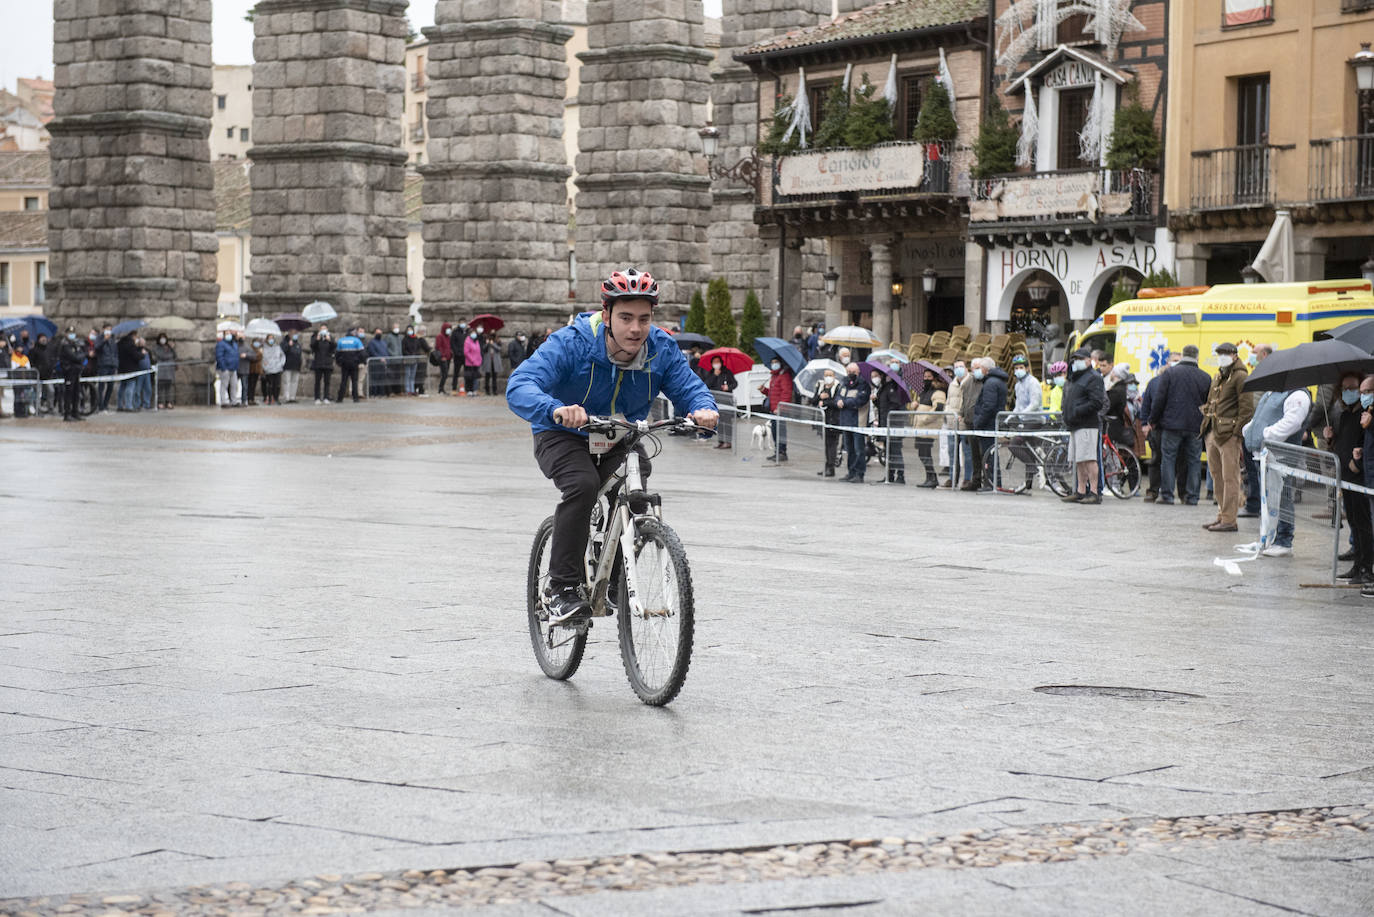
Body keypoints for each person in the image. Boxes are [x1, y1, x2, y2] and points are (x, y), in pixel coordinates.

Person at [506, 267, 718, 623]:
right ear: (606, 315)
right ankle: (560, 588)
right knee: (582, 485)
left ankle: (618, 578)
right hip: (562, 432)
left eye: (643, 319)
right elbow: (520, 385)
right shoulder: (572, 343)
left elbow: (689, 387)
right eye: (625, 317)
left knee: (637, 479)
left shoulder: (661, 349)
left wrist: (704, 410)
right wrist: (555, 408)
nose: (635, 328)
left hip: (619, 433)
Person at [1242, 372, 1310, 558]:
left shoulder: (1297, 395)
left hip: (1281, 456)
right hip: (1264, 455)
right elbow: (1260, 417)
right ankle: (1267, 538)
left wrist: (1265, 434)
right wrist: (1250, 430)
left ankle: (1284, 540)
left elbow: (1292, 423)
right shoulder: (1272, 392)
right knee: (1268, 499)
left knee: (1283, 498)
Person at [1200, 342, 1253, 533]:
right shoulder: (1219, 375)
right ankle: (1222, 515)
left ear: (1234, 355)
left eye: (1225, 353)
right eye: (1219, 353)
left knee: (1230, 477)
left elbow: (1247, 409)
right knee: (1216, 476)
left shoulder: (1240, 376)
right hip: (1213, 432)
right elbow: (1210, 401)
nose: (1221, 356)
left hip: (1228, 435)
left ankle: (1230, 519)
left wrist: (1236, 433)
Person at [1148, 345, 1211, 506]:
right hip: (1195, 426)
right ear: (1197, 357)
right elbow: (1208, 404)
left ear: (1183, 356)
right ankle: (1192, 497)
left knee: (1168, 459)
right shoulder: (1205, 377)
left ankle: (1167, 495)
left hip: (1171, 425)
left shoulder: (1170, 373)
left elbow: (1159, 400)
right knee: (1194, 461)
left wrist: (1153, 420)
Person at [1326, 372, 1371, 581]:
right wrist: (1330, 439)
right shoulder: (1345, 415)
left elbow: (1365, 445)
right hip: (1345, 477)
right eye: (1345, 388)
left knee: (1363, 524)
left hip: (1359, 478)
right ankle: (1357, 563)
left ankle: (1366, 568)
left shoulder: (1366, 415)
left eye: (1354, 389)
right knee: (1353, 521)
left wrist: (1356, 464)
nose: (1349, 393)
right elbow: (1342, 444)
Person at [1060, 348, 1106, 504]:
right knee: (1079, 459)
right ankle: (1080, 491)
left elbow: (1096, 402)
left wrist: (1076, 411)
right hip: (1075, 424)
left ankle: (1094, 492)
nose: (1076, 362)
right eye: (1074, 359)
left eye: (1079, 358)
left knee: (1089, 459)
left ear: (1088, 360)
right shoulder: (1075, 378)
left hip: (1087, 424)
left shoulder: (1093, 377)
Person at [1240, 343, 1275, 518]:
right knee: (1252, 469)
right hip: (1252, 428)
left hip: (1260, 429)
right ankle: (1255, 504)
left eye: (1254, 352)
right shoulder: (1258, 371)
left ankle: (1256, 505)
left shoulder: (1268, 373)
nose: (1251, 355)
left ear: (1263, 354)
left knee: (1256, 470)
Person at [969, 356, 1008, 493]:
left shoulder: (991, 383)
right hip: (991, 423)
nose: (979, 371)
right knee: (991, 455)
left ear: (985, 369)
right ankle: (993, 482)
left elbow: (988, 406)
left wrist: (979, 422)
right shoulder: (997, 381)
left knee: (989, 456)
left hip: (988, 425)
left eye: (980, 368)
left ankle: (991, 483)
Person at [834, 362, 871, 483]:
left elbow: (860, 400)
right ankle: (851, 472)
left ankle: (860, 474)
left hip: (858, 422)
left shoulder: (864, 385)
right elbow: (838, 396)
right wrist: (839, 401)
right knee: (849, 449)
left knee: (859, 449)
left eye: (853, 372)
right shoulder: (844, 383)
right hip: (845, 421)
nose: (851, 374)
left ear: (858, 372)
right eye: (849, 372)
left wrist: (845, 403)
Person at [912, 370, 947, 488]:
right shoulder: (923, 392)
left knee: (925, 453)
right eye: (925, 376)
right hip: (920, 428)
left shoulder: (938, 392)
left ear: (934, 378)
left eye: (929, 376)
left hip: (928, 428)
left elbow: (938, 408)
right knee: (922, 453)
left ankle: (932, 478)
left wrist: (924, 419)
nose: (926, 379)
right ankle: (929, 477)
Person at [874, 368, 908, 484]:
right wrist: (875, 401)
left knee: (896, 450)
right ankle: (889, 475)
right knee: (889, 451)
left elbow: (894, 404)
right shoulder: (883, 388)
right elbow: (882, 405)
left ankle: (900, 475)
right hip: (885, 424)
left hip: (894, 424)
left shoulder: (893, 388)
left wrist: (888, 413)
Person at [759, 355, 794, 463]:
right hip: (773, 409)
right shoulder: (774, 376)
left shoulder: (784, 376)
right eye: (772, 362)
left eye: (776, 362)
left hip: (779, 410)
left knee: (780, 431)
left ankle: (782, 452)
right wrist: (764, 390)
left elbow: (786, 393)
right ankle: (777, 451)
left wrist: (781, 408)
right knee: (774, 431)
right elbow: (773, 393)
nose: (774, 364)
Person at [703, 354, 737, 451]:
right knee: (719, 422)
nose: (716, 364)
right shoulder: (710, 373)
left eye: (718, 362)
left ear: (721, 363)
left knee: (727, 421)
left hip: (726, 401)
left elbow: (734, 383)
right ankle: (721, 441)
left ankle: (728, 441)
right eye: (714, 362)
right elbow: (706, 384)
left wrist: (728, 387)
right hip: (716, 401)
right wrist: (714, 375)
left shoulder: (727, 372)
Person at [811, 367, 840, 474]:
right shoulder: (820, 386)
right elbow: (813, 400)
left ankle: (831, 467)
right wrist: (820, 397)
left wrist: (826, 402)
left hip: (834, 419)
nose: (828, 377)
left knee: (832, 444)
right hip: (822, 419)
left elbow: (838, 402)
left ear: (834, 376)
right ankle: (826, 465)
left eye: (830, 375)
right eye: (826, 375)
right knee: (826, 444)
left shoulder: (838, 387)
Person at [945, 359, 970, 488]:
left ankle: (967, 479)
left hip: (965, 424)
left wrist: (963, 415)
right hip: (951, 423)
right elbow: (948, 401)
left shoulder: (971, 382)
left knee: (968, 454)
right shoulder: (952, 384)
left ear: (966, 369)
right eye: (956, 367)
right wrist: (947, 413)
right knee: (952, 453)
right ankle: (952, 477)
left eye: (961, 366)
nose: (959, 369)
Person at [58, 326, 85, 421]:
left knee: (76, 393)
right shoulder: (65, 345)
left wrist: (80, 356)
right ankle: (67, 414)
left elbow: (82, 354)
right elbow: (75, 357)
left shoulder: (75, 344)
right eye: (70, 333)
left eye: (73, 333)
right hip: (69, 371)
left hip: (76, 371)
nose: (72, 335)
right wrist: (79, 356)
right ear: (66, 334)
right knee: (68, 393)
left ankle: (75, 412)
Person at [335, 326, 365, 402]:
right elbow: (362, 353)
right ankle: (355, 398)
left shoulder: (341, 340)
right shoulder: (357, 341)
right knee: (354, 381)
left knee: (343, 381)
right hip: (354, 364)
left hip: (344, 364)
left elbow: (337, 354)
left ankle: (340, 398)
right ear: (352, 333)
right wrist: (361, 361)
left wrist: (339, 362)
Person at [95, 324, 118, 412]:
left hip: (112, 365)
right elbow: (97, 347)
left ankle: (105, 404)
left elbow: (115, 352)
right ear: (103, 329)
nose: (109, 331)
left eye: (110, 329)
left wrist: (116, 363)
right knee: (101, 386)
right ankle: (100, 404)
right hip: (103, 364)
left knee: (110, 386)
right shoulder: (100, 338)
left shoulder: (113, 339)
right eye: (107, 329)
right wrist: (104, 340)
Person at [150, 333, 176, 409]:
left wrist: (172, 348)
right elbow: (162, 356)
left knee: (169, 388)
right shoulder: (156, 348)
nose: (163, 340)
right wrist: (168, 352)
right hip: (161, 370)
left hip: (169, 371)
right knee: (160, 387)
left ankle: (169, 402)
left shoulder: (169, 348)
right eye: (161, 338)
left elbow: (174, 356)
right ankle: (160, 402)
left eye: (164, 338)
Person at [116, 329, 140, 412]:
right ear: (133, 336)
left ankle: (120, 405)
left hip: (122, 368)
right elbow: (136, 356)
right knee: (130, 387)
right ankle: (128, 406)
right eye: (136, 336)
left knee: (122, 386)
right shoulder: (131, 344)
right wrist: (141, 353)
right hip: (131, 369)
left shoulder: (120, 343)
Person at [215, 329, 240, 407]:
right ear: (224, 335)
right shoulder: (221, 344)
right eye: (227, 334)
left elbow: (236, 355)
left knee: (234, 385)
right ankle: (223, 402)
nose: (228, 335)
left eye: (229, 333)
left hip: (233, 368)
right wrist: (223, 367)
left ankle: (234, 401)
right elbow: (219, 356)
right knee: (224, 385)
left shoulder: (234, 344)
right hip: (225, 368)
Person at [310, 326, 335, 404]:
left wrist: (329, 340)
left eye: (325, 329)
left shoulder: (330, 337)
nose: (323, 330)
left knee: (327, 382)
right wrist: (317, 339)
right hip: (318, 363)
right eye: (322, 329)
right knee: (317, 381)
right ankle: (317, 398)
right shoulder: (315, 337)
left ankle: (326, 397)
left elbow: (334, 347)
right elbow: (312, 347)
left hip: (328, 363)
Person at [261, 335, 285, 405]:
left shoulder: (277, 347)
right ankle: (270, 398)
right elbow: (262, 358)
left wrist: (281, 364)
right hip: (269, 369)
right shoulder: (264, 348)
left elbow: (282, 356)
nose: (271, 340)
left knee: (277, 385)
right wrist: (265, 366)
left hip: (277, 368)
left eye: (272, 338)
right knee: (270, 385)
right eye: (269, 339)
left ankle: (276, 398)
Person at [281, 331, 303, 403]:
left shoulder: (297, 343)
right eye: (293, 333)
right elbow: (282, 351)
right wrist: (288, 345)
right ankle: (286, 397)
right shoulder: (284, 342)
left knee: (294, 381)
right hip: (287, 365)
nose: (295, 335)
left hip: (296, 365)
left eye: (295, 333)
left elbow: (299, 353)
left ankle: (292, 397)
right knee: (286, 381)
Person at [481, 330, 503, 395]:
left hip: (495, 361)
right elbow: (483, 349)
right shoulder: (485, 339)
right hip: (488, 360)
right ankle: (487, 390)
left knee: (494, 376)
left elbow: (499, 349)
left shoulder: (498, 340)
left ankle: (494, 390)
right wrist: (487, 344)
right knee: (487, 376)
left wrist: (492, 344)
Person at [462, 326, 482, 396]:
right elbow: (466, 352)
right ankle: (469, 390)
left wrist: (479, 360)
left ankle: (474, 390)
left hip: (476, 363)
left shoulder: (476, 341)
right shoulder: (467, 341)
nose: (474, 334)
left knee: (475, 377)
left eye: (475, 333)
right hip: (470, 363)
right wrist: (472, 360)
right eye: (472, 333)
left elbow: (478, 351)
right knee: (469, 377)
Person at [435, 322, 454, 394]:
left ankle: (441, 388)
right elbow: (438, 347)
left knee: (445, 374)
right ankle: (441, 388)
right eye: (448, 328)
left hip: (448, 357)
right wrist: (442, 356)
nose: (449, 330)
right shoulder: (439, 336)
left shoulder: (448, 337)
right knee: (444, 374)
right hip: (443, 358)